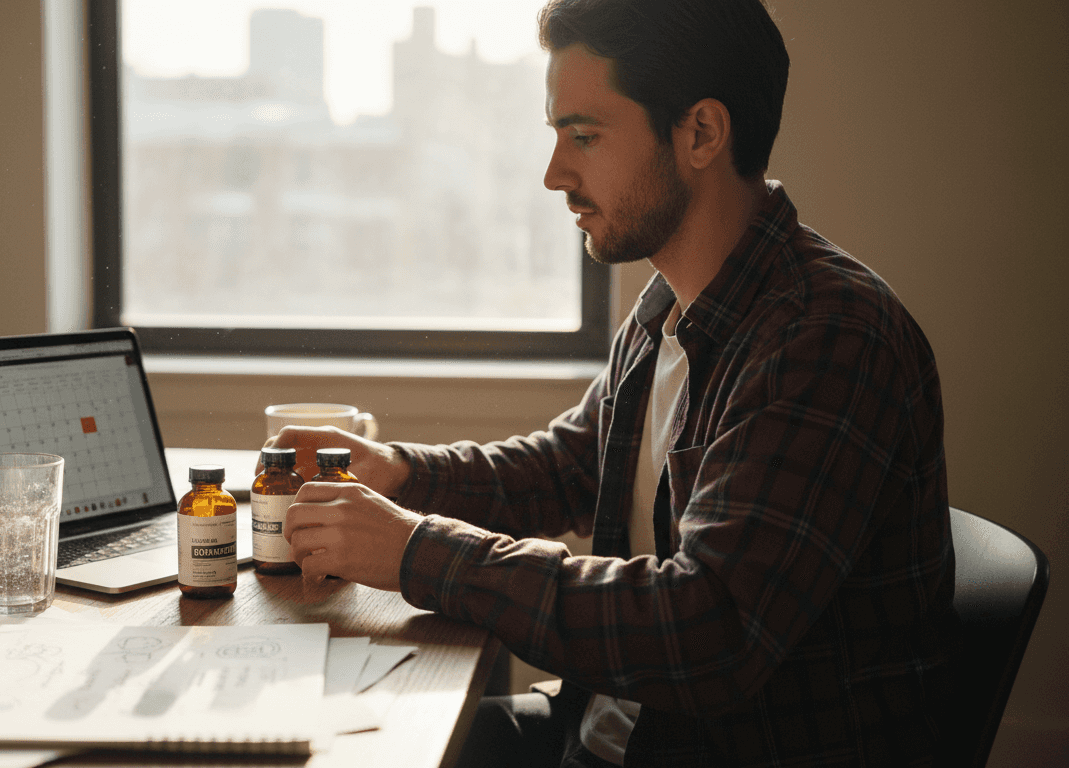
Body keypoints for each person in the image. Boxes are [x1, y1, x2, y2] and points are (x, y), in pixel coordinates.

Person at [273, 0, 957, 765]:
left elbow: (708, 630)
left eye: (584, 136)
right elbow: (572, 466)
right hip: (607, 735)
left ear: (700, 133)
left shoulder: (827, 337)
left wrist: (417, 551)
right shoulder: (671, 302)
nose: (554, 173)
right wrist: (398, 473)